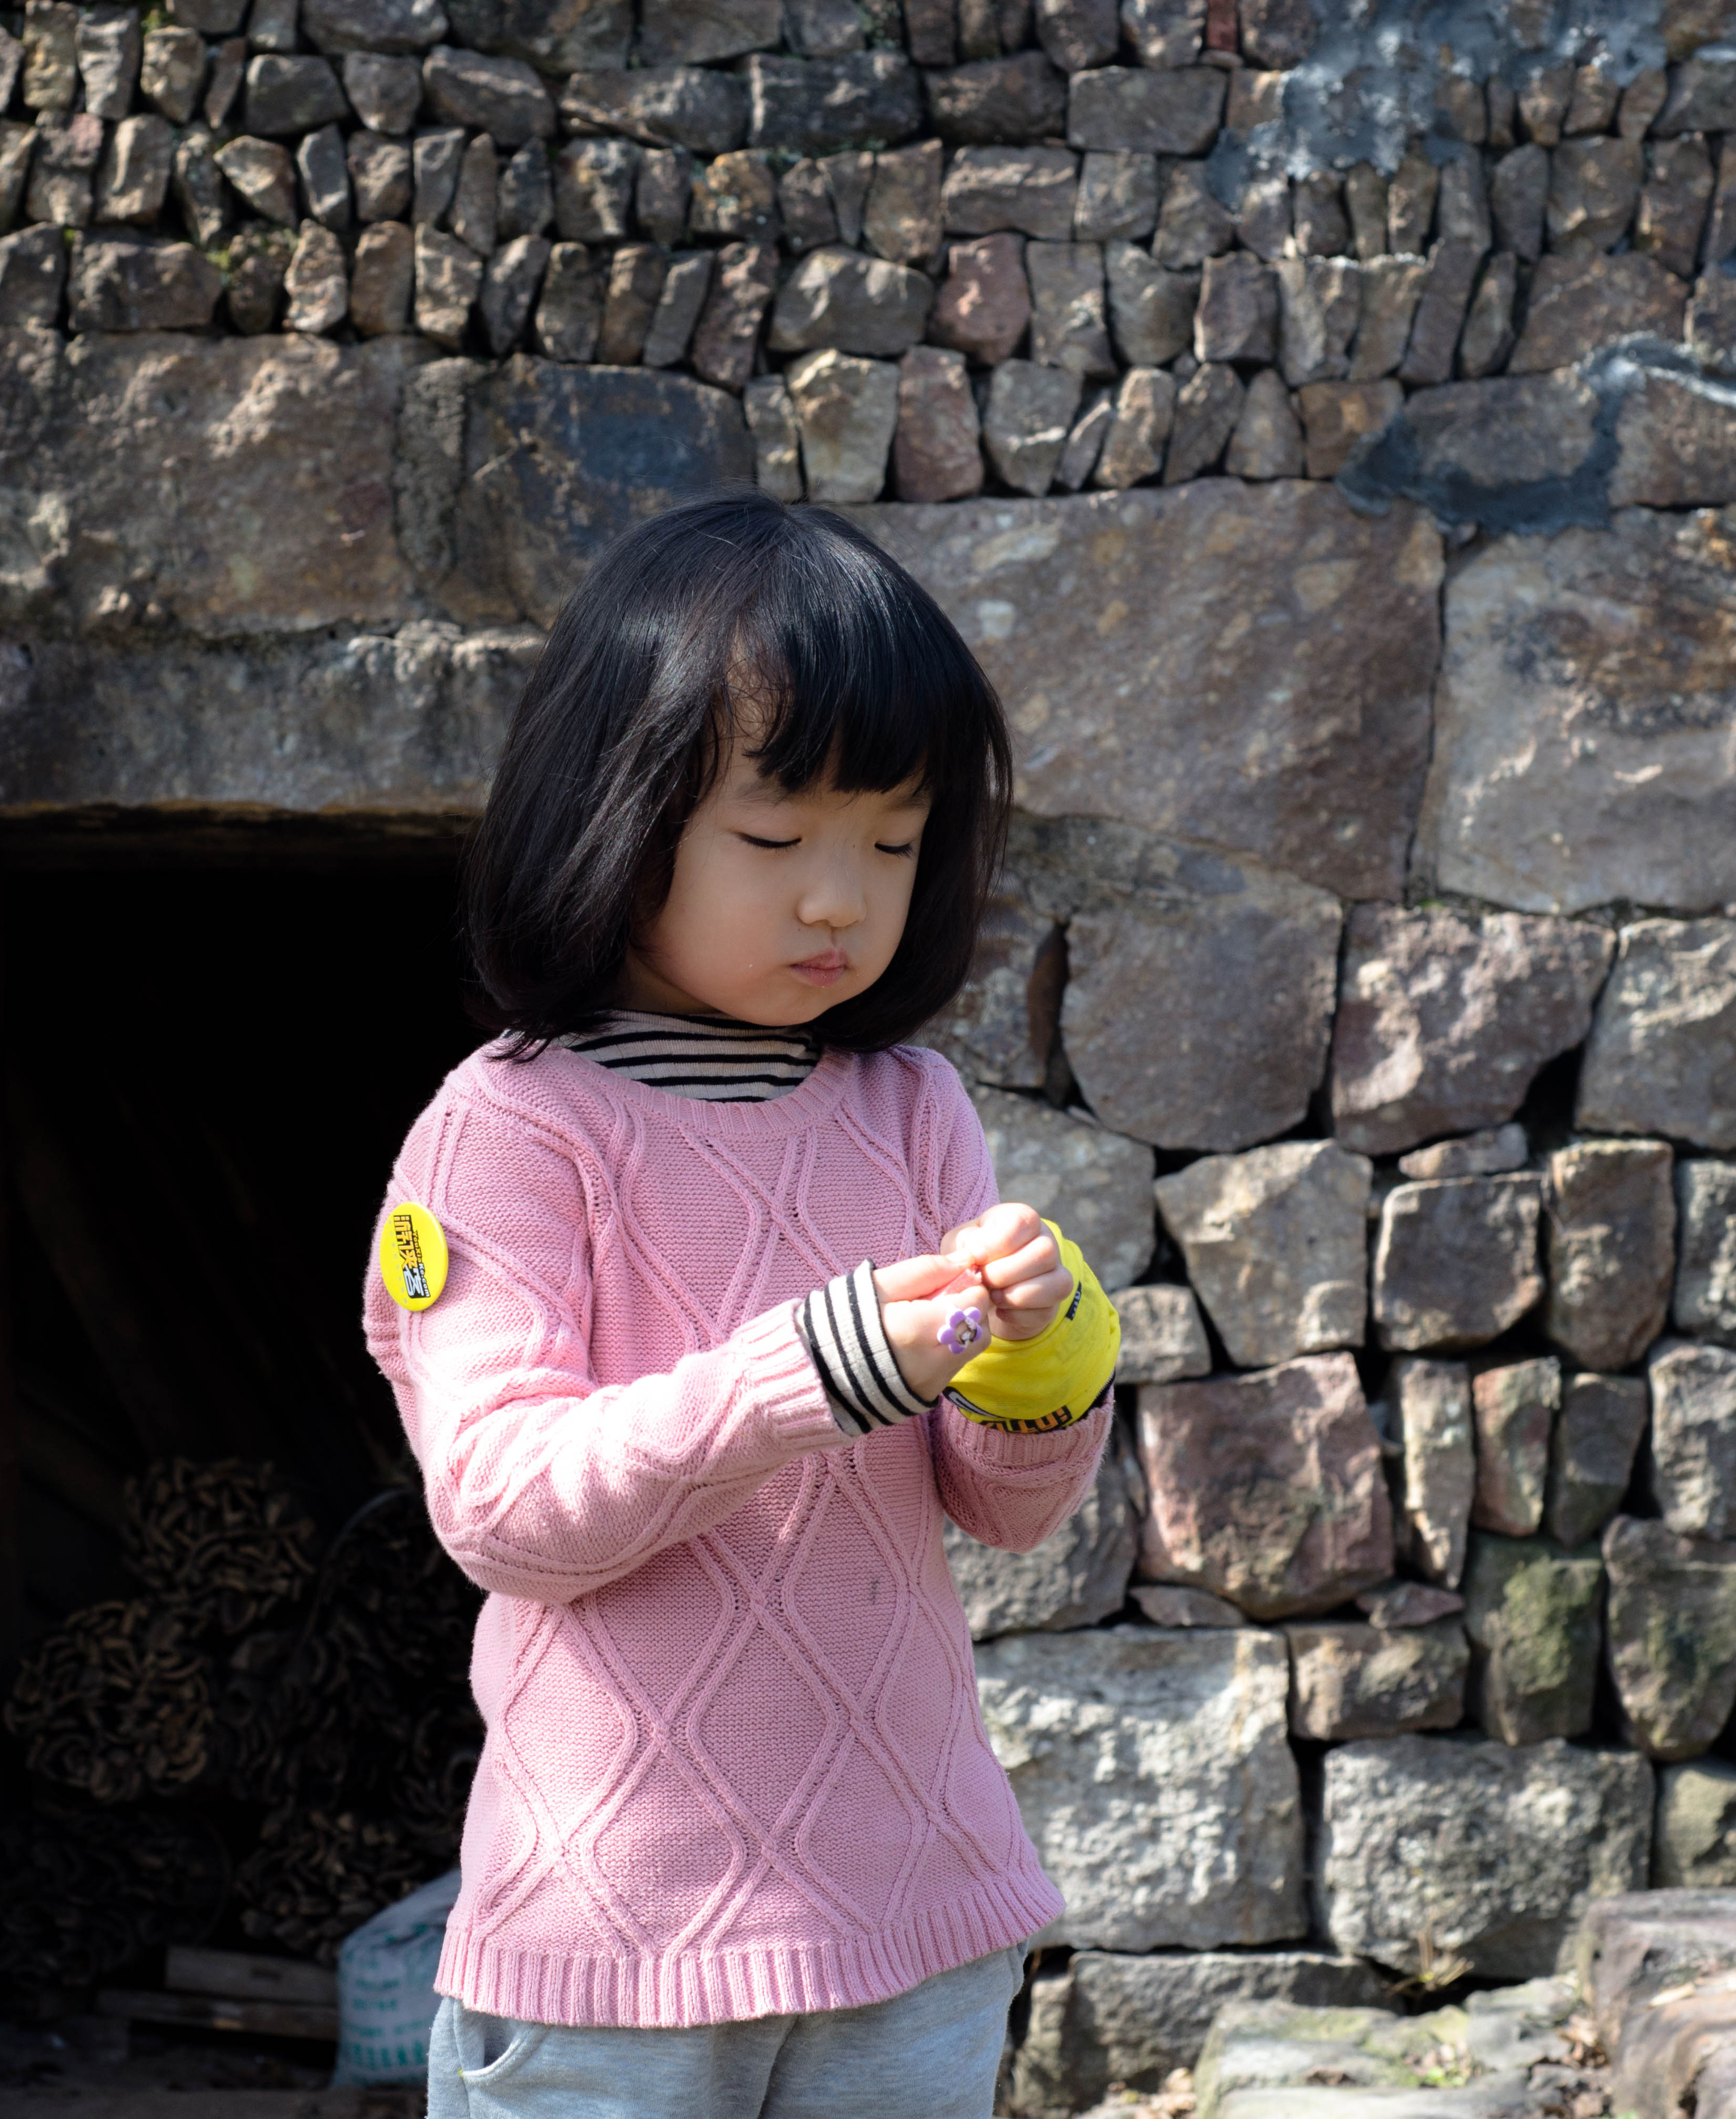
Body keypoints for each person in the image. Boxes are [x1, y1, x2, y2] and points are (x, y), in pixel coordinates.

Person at [362, 492, 1122, 2119]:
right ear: (612, 815)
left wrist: (1045, 1363)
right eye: (776, 843)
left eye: (894, 844)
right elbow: (503, 1509)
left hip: (913, 1918)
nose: (840, 899)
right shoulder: (512, 1131)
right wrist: (812, 1371)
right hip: (614, 1951)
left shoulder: (911, 1111)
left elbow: (1004, 1510)